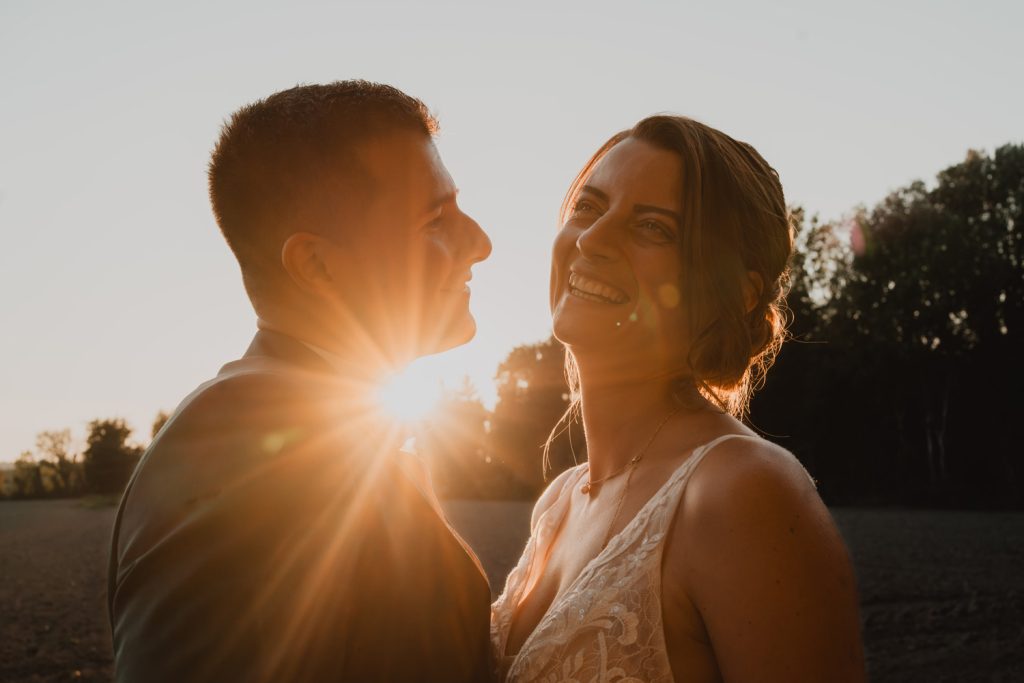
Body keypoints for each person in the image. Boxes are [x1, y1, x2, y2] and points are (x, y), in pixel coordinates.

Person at [107, 81, 494, 682]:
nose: (480, 243)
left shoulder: (328, 423)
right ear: (317, 265)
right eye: (434, 220)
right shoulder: (240, 439)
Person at [491, 116, 866, 682]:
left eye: (652, 228)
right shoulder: (559, 502)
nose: (591, 240)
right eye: (589, 208)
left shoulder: (742, 491)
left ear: (734, 292)